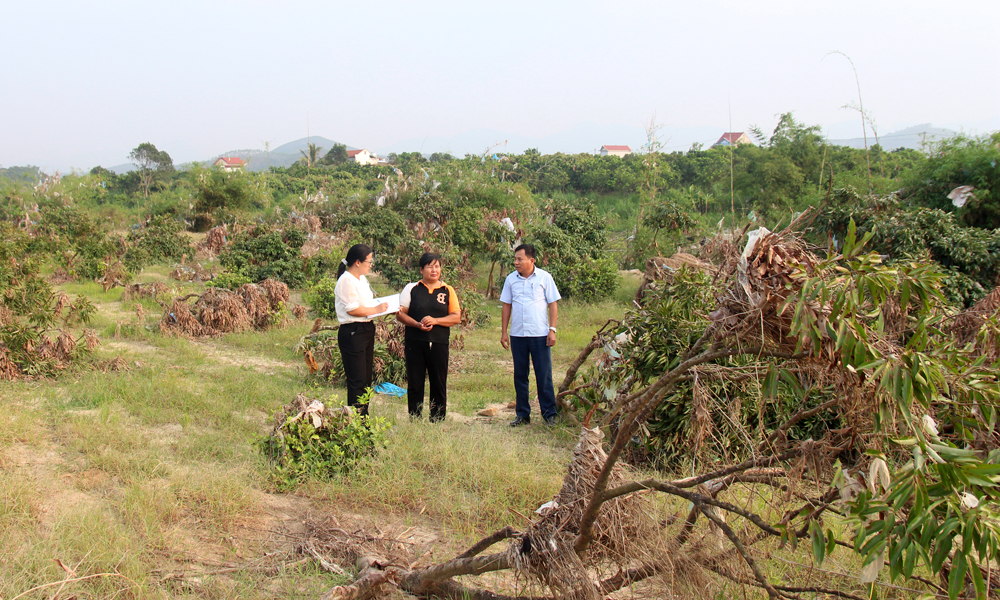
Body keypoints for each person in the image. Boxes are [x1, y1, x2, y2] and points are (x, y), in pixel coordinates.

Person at [499, 244, 561, 427]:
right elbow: (506, 305)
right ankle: (522, 415)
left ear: (531, 260)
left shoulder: (545, 278)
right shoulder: (511, 280)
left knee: (544, 375)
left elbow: (553, 304)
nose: (516, 262)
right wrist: (504, 332)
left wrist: (553, 329)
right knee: (520, 375)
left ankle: (549, 414)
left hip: (540, 334)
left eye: (520, 259)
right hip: (518, 335)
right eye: (515, 259)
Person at [396, 253, 461, 421]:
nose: (434, 270)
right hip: (415, 342)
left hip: (439, 343)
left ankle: (437, 418)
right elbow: (400, 314)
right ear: (421, 269)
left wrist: (436, 320)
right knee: (415, 382)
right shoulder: (412, 288)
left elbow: (456, 317)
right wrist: (417, 324)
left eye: (437, 266)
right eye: (430, 266)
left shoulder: (447, 290)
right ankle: (414, 417)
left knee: (438, 382)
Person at [334, 244, 388, 416]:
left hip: (366, 329)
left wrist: (384, 307)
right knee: (357, 380)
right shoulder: (346, 280)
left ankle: (363, 418)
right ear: (357, 262)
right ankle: (356, 421)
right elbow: (352, 309)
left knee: (365, 379)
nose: (370, 265)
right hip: (352, 331)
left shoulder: (362, 279)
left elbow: (366, 304)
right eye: (368, 261)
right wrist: (377, 310)